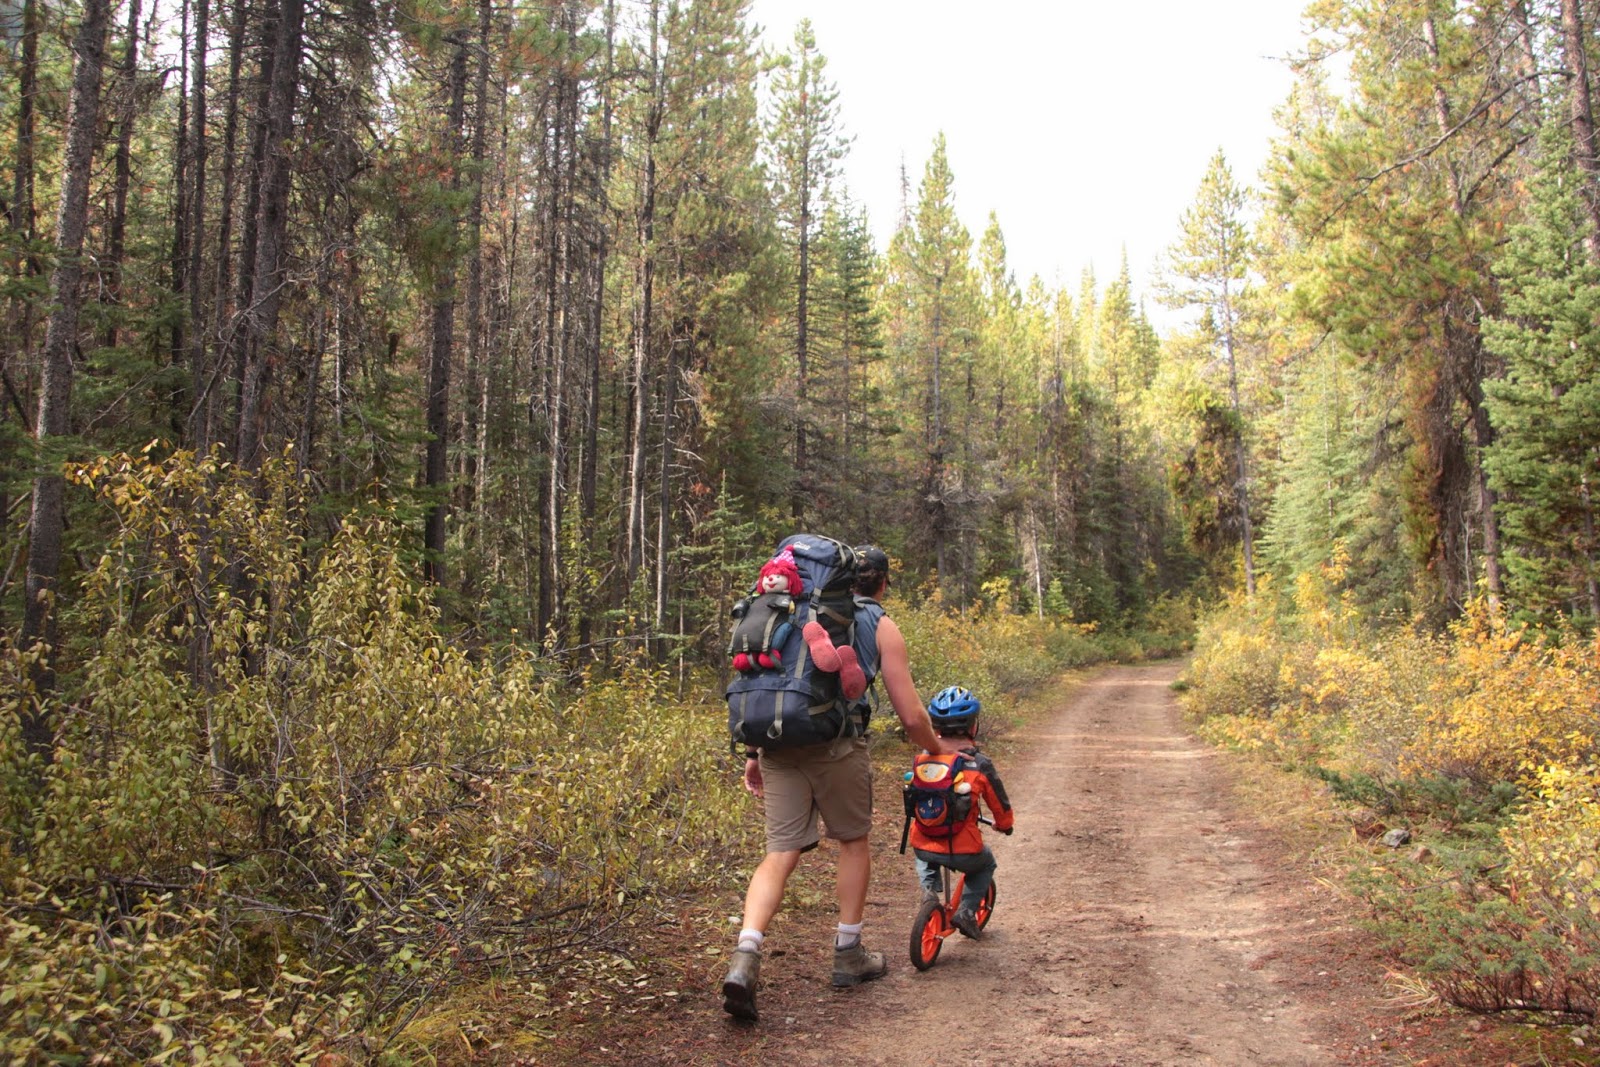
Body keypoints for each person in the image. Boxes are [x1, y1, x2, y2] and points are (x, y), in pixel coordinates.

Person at [721, 545, 959, 1023]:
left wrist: (752, 755)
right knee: (852, 842)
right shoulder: (879, 624)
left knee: (780, 851)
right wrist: (937, 751)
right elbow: (912, 714)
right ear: (882, 583)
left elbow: (763, 682)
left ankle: (746, 954)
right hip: (836, 746)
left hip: (776, 746)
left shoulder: (792, 607)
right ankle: (848, 952)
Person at [906, 685, 1014, 939]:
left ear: (935, 727)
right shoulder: (979, 764)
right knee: (985, 864)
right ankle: (966, 911)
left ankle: (929, 892)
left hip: (924, 843)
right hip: (964, 850)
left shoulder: (923, 758)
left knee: (924, 856)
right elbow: (1000, 804)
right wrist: (1004, 824)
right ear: (973, 726)